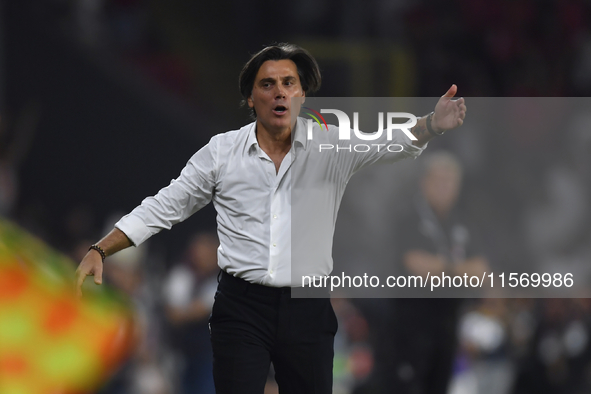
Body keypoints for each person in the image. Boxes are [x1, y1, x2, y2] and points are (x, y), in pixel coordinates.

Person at [75, 43, 467, 394]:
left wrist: (432, 124)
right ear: (250, 97)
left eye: (289, 83)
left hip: (307, 309)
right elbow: (164, 206)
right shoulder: (221, 153)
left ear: (301, 95)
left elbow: (390, 141)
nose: (279, 91)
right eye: (267, 84)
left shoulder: (330, 145)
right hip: (242, 307)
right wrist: (100, 249)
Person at [371, 152, 488, 394]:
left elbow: (481, 271)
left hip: (446, 324)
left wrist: (442, 267)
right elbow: (416, 265)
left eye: (451, 181)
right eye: (439, 180)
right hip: (409, 328)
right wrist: (458, 268)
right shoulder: (408, 218)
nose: (445, 187)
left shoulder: (462, 223)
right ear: (424, 182)